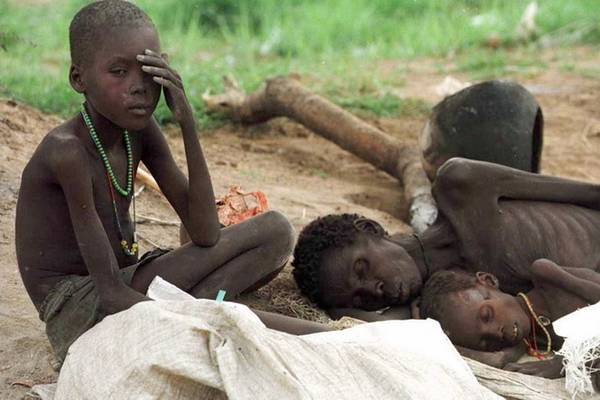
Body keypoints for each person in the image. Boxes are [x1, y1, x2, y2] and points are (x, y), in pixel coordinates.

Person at [15, 0, 325, 365]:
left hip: (125, 284)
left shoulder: (138, 132)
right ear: (78, 79)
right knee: (218, 312)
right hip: (81, 307)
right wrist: (197, 316)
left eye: (149, 72)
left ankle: (210, 302)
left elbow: (205, 233)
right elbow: (111, 294)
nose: (140, 88)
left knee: (275, 231)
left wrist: (188, 124)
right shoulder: (67, 152)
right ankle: (311, 332)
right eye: (119, 72)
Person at [292, 158, 600, 320]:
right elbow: (371, 327)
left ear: (371, 229)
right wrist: (342, 308)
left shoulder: (461, 187)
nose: (375, 290)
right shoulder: (447, 305)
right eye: (361, 299)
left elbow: (588, 192)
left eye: (362, 269)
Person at [419, 260, 600, 387]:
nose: (495, 332)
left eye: (487, 315)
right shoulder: (527, 340)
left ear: (488, 281)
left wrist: (564, 363)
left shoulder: (547, 278)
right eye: (486, 341)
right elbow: (495, 360)